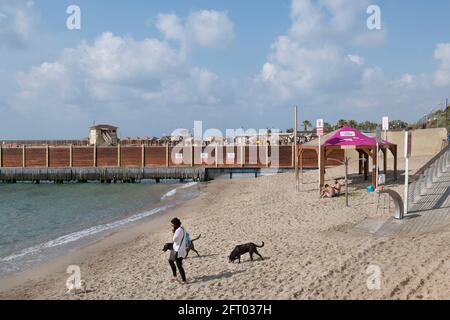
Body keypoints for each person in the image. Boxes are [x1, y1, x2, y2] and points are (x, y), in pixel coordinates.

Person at [168, 218, 187, 284]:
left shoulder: (178, 230)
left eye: (172, 225)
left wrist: (173, 232)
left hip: (178, 250)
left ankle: (184, 280)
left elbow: (174, 239)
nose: (172, 226)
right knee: (170, 261)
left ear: (175, 225)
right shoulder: (182, 228)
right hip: (177, 249)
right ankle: (175, 276)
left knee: (179, 265)